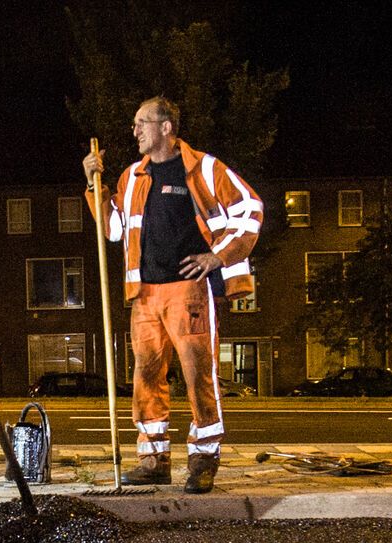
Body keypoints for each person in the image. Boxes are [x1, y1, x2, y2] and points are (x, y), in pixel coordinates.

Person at [83, 96, 262, 493]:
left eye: (142, 123)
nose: (135, 131)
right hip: (144, 292)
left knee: (198, 372)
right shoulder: (132, 178)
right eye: (134, 124)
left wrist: (217, 257)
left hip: (190, 290)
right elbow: (112, 229)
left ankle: (203, 457)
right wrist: (95, 185)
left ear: (166, 126)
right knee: (146, 374)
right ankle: (153, 458)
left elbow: (250, 208)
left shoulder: (204, 168)